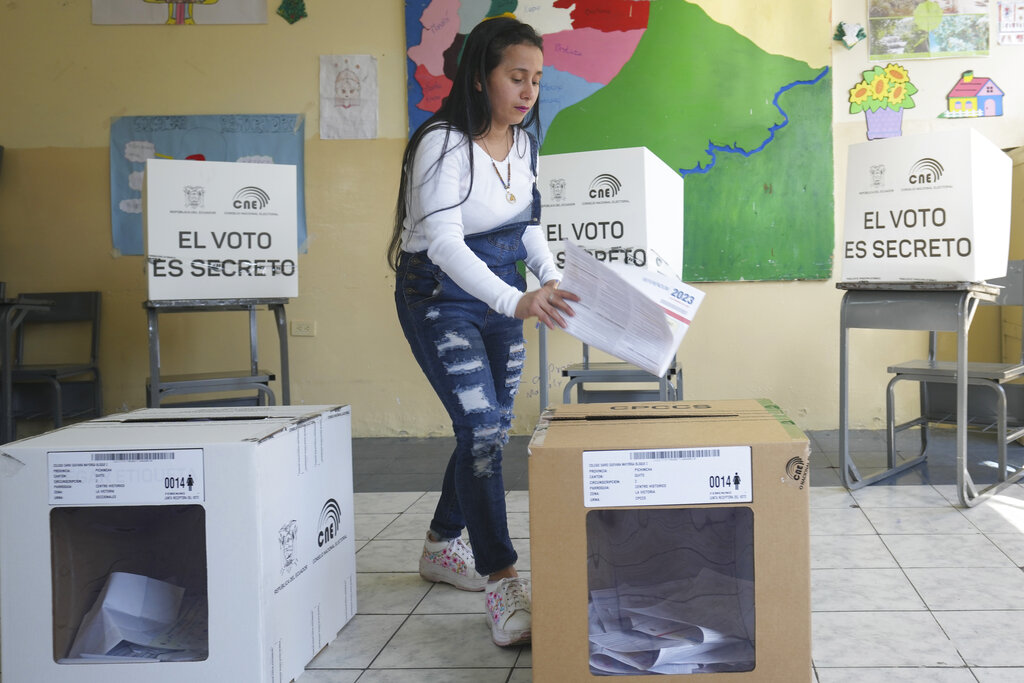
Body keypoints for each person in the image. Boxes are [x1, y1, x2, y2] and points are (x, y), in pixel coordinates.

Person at [387, 15, 578, 647]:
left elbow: (526, 226)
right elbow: (442, 242)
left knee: (487, 425)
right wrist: (515, 299)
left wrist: (553, 278)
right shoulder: (441, 144)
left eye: (537, 80)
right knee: (482, 427)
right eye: (516, 77)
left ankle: (442, 545)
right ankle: (502, 579)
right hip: (441, 297)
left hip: (503, 295)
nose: (529, 92)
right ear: (479, 77)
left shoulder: (523, 142)